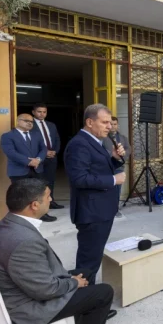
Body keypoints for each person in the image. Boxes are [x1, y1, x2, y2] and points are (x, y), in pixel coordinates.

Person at [0, 179, 113, 324]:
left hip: (19, 289)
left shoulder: (5, 225)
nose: (50, 199)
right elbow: (46, 290)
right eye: (48, 196)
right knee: (103, 293)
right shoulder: (24, 242)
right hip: (25, 308)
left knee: (86, 273)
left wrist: (73, 279)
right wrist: (74, 283)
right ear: (34, 205)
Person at [64, 104, 126, 283]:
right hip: (91, 212)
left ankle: (88, 299)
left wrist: (113, 158)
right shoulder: (79, 144)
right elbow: (80, 179)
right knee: (88, 261)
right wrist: (113, 180)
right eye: (104, 122)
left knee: (93, 257)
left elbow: (98, 169)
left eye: (110, 122)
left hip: (101, 210)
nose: (109, 126)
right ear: (90, 122)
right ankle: (85, 305)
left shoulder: (96, 142)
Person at [0, 113, 54, 222]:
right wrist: (28, 161)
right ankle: (21, 218)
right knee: (21, 194)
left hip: (37, 169)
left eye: (31, 122)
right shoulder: (8, 136)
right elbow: (10, 152)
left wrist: (38, 159)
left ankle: (42, 214)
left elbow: (43, 149)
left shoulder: (36, 135)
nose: (29, 123)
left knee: (39, 193)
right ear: (18, 121)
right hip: (18, 171)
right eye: (26, 121)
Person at [30, 103, 62, 209]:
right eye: (39, 111)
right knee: (39, 182)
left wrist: (55, 151)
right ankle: (40, 204)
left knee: (50, 180)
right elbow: (30, 142)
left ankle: (51, 201)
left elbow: (57, 139)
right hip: (38, 158)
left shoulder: (51, 125)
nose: (42, 114)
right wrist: (44, 153)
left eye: (44, 112)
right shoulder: (30, 125)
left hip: (52, 157)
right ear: (33, 112)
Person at [103, 116, 130, 218]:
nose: (113, 126)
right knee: (107, 189)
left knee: (117, 190)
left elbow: (128, 149)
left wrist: (122, 156)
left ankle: (115, 209)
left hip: (119, 167)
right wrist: (112, 154)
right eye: (111, 124)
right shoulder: (103, 138)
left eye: (115, 124)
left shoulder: (123, 138)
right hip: (107, 167)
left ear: (117, 125)